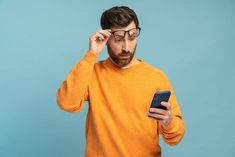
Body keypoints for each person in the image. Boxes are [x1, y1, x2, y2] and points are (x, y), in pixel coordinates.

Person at [56, 6, 185, 157]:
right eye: (118, 39)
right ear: (105, 37)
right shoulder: (92, 72)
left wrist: (169, 122)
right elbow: (66, 103)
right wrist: (91, 54)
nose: (126, 47)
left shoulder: (156, 77)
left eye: (132, 37)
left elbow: (175, 138)